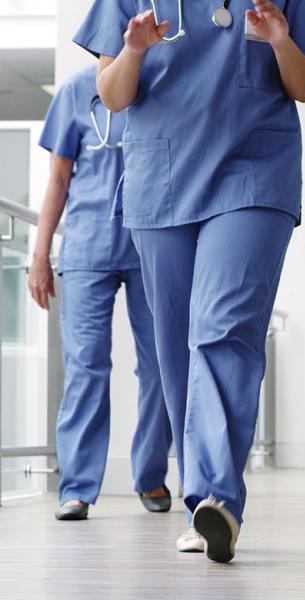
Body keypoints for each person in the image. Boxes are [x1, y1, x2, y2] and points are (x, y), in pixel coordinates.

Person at [73, 0, 305, 562]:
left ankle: (217, 497)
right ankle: (203, 502)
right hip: (161, 172)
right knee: (174, 352)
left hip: (253, 171)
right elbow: (113, 94)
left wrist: (279, 41)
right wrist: (134, 49)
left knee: (224, 328)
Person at [29, 65, 172, 521]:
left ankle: (150, 474)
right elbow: (58, 180)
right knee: (85, 366)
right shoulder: (75, 91)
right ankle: (76, 487)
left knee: (159, 367)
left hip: (150, 239)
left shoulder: (161, 81)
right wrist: (39, 254)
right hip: (87, 245)